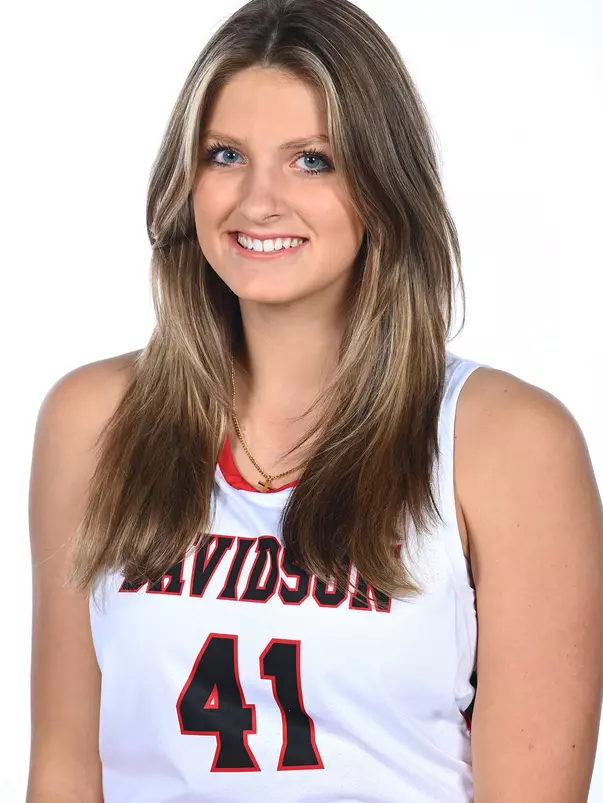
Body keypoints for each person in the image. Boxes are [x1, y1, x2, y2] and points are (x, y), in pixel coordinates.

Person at [27, 0, 603, 801]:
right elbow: (63, 767)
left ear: (381, 184)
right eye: (224, 154)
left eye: (311, 160)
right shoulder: (93, 419)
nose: (258, 200)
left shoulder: (506, 443)